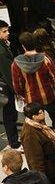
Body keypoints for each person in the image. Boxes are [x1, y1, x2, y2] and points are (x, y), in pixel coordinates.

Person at [11, 31, 55, 120]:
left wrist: (25, 94)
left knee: (38, 130)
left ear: (23, 46)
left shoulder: (16, 64)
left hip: (31, 102)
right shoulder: (45, 59)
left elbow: (17, 87)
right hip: (49, 98)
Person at [21, 102, 55, 184]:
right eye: (40, 113)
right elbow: (35, 161)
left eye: (43, 111)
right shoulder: (30, 134)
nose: (43, 113)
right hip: (48, 173)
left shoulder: (39, 124)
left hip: (54, 167)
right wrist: (42, 180)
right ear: (33, 116)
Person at [0, 21, 19, 149]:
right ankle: (13, 141)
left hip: (5, 84)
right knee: (10, 114)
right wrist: (16, 89)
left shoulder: (4, 45)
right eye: (4, 31)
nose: (7, 33)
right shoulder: (1, 50)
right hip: (6, 86)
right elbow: (7, 72)